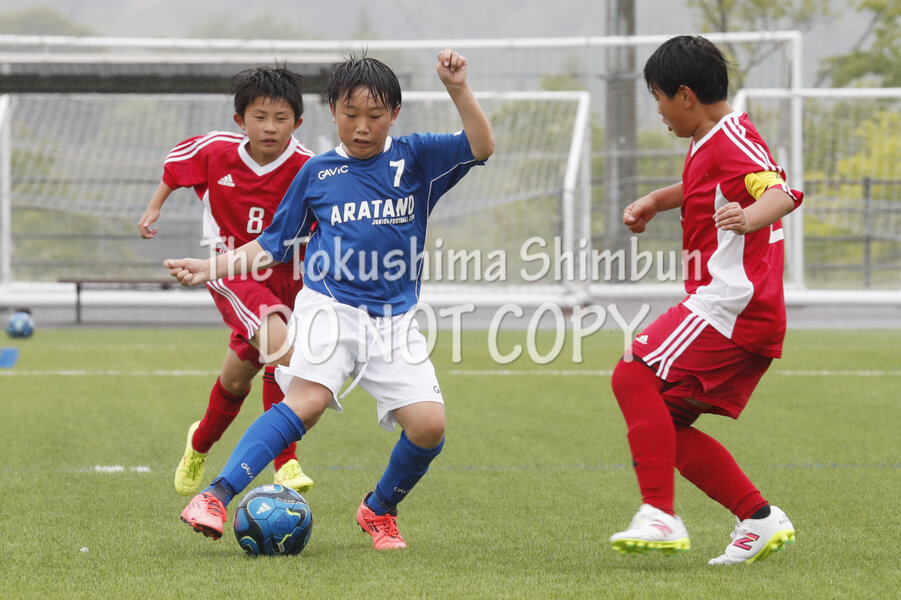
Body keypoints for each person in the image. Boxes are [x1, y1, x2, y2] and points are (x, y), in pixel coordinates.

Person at [163, 48, 494, 550]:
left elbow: (482, 145)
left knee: (429, 427)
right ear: (333, 111)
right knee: (308, 402)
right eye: (350, 114)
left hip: (394, 320)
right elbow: (271, 245)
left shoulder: (417, 157)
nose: (362, 127)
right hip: (328, 310)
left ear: (394, 114)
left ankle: (378, 509)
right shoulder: (317, 173)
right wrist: (209, 267)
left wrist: (458, 89)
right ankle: (215, 496)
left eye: (374, 115)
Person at [608, 35, 802, 565]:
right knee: (665, 423)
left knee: (631, 373)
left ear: (685, 95)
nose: (657, 110)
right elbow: (706, 184)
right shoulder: (714, 136)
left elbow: (780, 192)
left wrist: (749, 216)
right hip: (742, 312)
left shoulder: (732, 140)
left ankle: (659, 515)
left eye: (658, 98)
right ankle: (758, 517)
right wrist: (658, 200)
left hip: (729, 306)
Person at [138, 65, 315, 497]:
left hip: (290, 276)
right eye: (260, 117)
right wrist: (154, 207)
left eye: (281, 118)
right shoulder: (216, 151)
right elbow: (175, 165)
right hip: (230, 272)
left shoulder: (310, 166)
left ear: (297, 122)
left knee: (236, 381)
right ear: (240, 120)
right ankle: (286, 462)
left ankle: (198, 444)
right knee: (282, 350)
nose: (270, 127)